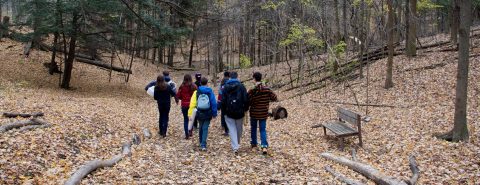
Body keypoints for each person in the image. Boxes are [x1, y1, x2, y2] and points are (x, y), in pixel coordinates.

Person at [248, 72, 278, 155]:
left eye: (252, 78)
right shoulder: (267, 89)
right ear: (261, 78)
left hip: (254, 113)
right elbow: (275, 98)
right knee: (262, 129)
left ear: (254, 79)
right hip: (263, 113)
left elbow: (248, 101)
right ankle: (264, 146)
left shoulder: (251, 90)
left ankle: (254, 144)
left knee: (253, 128)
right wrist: (267, 100)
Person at [221, 71, 249, 154]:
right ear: (237, 76)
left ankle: (235, 147)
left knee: (232, 129)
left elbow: (223, 100)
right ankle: (237, 144)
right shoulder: (241, 86)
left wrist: (223, 111)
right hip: (240, 111)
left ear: (230, 77)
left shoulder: (225, 86)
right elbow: (245, 99)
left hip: (228, 111)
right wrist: (246, 109)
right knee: (239, 128)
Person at [188, 77, 217, 151]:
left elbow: (193, 103)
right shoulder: (209, 91)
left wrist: (190, 113)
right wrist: (214, 113)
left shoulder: (197, 91)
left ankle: (201, 142)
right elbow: (213, 102)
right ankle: (203, 144)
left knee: (200, 126)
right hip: (208, 112)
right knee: (205, 127)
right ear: (207, 83)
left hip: (199, 112)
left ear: (200, 83)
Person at [177, 74, 197, 139]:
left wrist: (182, 98)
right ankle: (190, 131)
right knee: (191, 119)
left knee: (186, 119)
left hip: (184, 105)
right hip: (192, 105)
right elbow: (197, 95)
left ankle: (186, 134)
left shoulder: (182, 86)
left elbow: (178, 95)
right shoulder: (194, 86)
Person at [218, 71, 230, 136]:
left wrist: (219, 101)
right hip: (229, 100)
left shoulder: (222, 82)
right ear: (229, 75)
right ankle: (228, 126)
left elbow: (220, 92)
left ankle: (223, 125)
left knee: (223, 113)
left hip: (222, 100)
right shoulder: (230, 82)